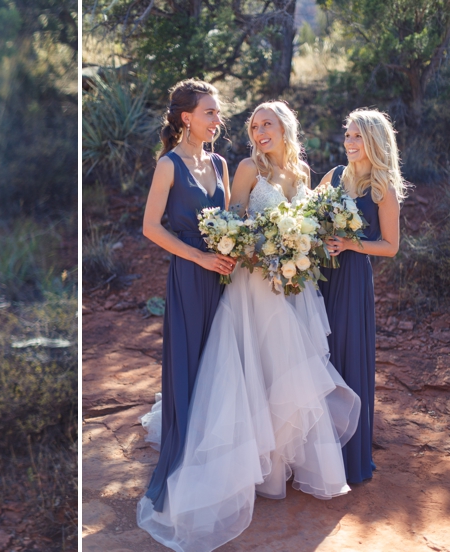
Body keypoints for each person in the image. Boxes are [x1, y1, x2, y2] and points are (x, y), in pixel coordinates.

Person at [138, 101, 361, 552]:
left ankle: (279, 463)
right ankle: (247, 464)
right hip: (253, 284)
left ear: (285, 128)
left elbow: (313, 227)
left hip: (293, 287)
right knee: (251, 367)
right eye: (254, 125)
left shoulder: (301, 172)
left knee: (286, 372)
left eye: (267, 125)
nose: (259, 132)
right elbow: (232, 223)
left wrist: (304, 245)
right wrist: (262, 247)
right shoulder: (243, 168)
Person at [139, 79, 234, 515]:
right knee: (190, 360)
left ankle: (218, 452)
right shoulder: (169, 166)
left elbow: (232, 220)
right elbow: (151, 227)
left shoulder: (220, 163)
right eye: (210, 113)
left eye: (217, 113)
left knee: (223, 362)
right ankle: (184, 454)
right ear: (187, 118)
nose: (218, 120)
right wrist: (198, 256)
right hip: (190, 275)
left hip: (225, 277)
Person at [318, 109, 406, 486]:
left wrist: (353, 244)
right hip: (320, 278)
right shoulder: (334, 176)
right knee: (319, 355)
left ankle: (348, 458)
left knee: (348, 357)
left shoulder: (381, 187)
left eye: (357, 137)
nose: (350, 143)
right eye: (348, 135)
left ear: (373, 142)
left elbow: (391, 246)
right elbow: (308, 213)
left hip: (352, 280)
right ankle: (314, 454)